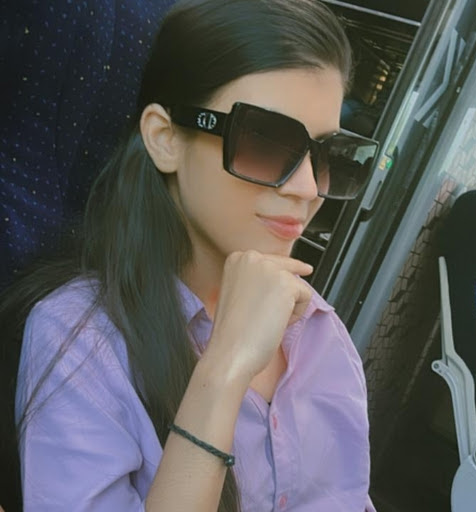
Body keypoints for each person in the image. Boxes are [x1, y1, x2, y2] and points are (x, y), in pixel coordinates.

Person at [8, 0, 379, 510]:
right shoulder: (79, 340)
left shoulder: (319, 332)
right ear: (165, 140)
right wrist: (223, 371)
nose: (307, 187)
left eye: (326, 154)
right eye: (265, 141)